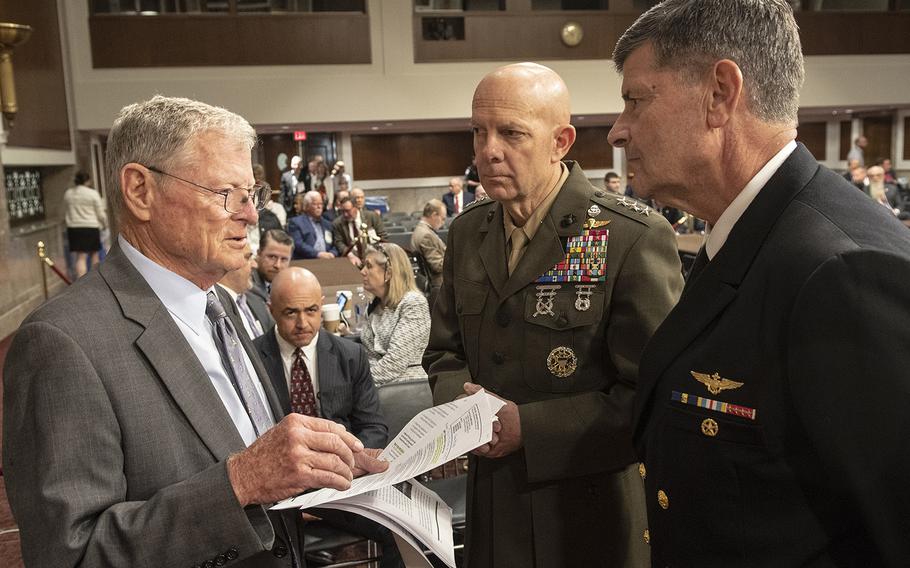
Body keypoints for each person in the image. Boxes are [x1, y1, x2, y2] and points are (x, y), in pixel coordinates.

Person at [2, 95, 387, 568]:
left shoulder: (223, 304)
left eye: (254, 194)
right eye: (227, 194)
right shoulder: (63, 343)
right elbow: (71, 555)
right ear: (140, 191)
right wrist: (240, 483)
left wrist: (319, 466)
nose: (250, 215)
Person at [608, 1, 910, 565]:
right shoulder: (751, 234)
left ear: (720, 94)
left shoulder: (843, 271)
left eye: (635, 100)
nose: (619, 131)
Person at [423, 62, 683, 568]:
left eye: (512, 133)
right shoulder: (467, 233)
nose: (488, 151)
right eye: (479, 132)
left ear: (561, 141)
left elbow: (655, 398)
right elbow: (443, 353)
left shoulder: (628, 237)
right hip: (492, 513)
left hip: (585, 520)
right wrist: (461, 404)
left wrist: (531, 428)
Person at [253, 266, 403, 568]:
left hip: (342, 480)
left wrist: (345, 465)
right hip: (279, 488)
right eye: (290, 313)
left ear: (321, 304)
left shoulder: (351, 355)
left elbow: (373, 426)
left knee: (399, 530)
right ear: (271, 310)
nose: (302, 323)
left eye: (311, 310)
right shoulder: (252, 359)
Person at [360, 243, 431, 386]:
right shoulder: (374, 305)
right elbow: (371, 356)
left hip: (407, 387)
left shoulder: (413, 303)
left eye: (369, 266)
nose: (362, 271)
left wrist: (357, 384)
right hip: (378, 385)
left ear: (389, 273)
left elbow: (395, 363)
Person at [218, 243, 274, 341]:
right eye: (248, 258)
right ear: (227, 263)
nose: (255, 265)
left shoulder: (257, 298)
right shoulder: (214, 309)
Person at [63, 170, 107, 277]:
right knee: (94, 255)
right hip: (91, 227)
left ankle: (80, 282)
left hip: (74, 228)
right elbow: (100, 213)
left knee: (80, 257)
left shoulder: (68, 194)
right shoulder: (92, 193)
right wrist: (104, 223)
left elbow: (66, 210)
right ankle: (95, 280)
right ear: (87, 180)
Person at [410, 199, 447, 301]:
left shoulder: (421, 230)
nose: (443, 223)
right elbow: (437, 266)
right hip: (439, 284)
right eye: (442, 218)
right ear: (434, 215)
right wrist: (456, 257)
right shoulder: (426, 235)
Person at [332, 195, 387, 262]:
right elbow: (339, 242)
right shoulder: (338, 223)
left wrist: (375, 254)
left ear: (356, 207)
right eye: (342, 211)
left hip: (374, 255)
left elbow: (383, 236)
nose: (345, 214)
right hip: (352, 258)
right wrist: (350, 255)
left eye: (347, 211)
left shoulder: (371, 217)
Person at [287, 191, 338, 259]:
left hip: (328, 260)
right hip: (306, 261)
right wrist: (317, 254)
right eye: (315, 204)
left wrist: (332, 253)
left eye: (321, 204)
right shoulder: (296, 222)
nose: (319, 207)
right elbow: (298, 244)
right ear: (306, 206)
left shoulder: (328, 224)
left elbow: (336, 244)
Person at [250, 228, 293, 301]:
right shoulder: (248, 285)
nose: (277, 265)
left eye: (284, 259)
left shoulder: (290, 285)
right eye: (272, 257)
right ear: (258, 253)